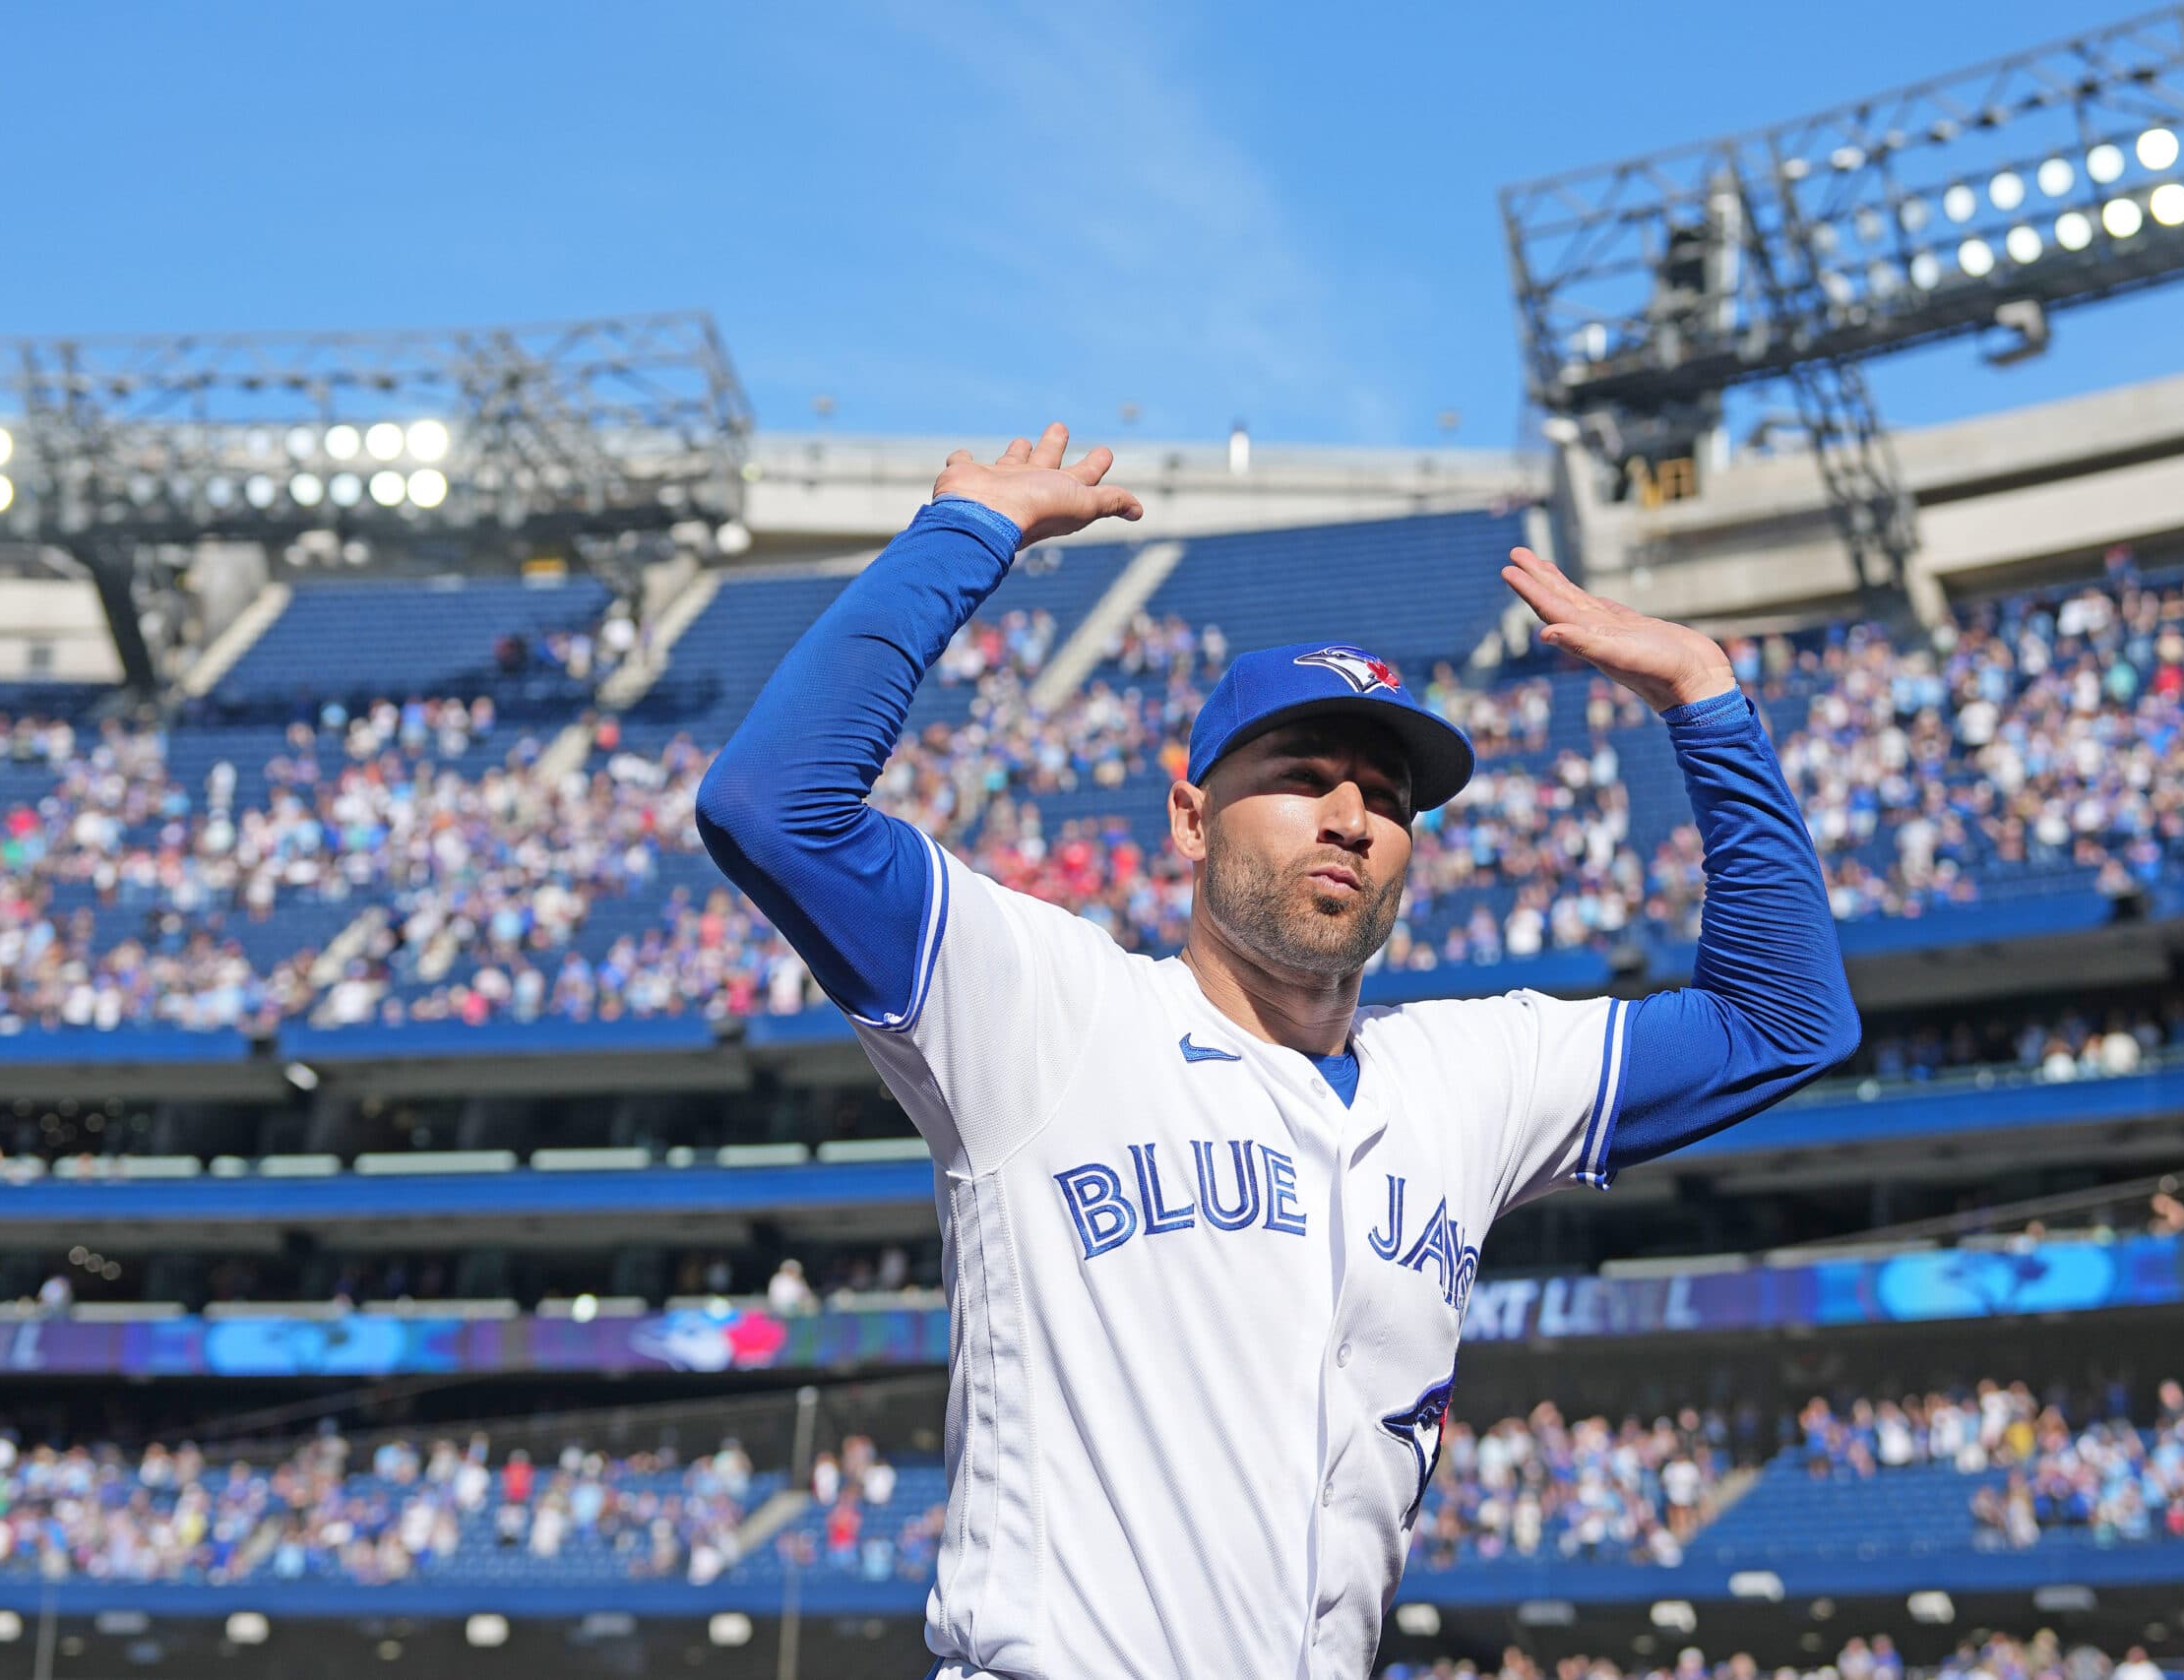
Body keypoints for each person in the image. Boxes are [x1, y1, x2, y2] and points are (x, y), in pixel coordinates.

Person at [695, 426, 1858, 1680]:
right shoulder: (1051, 1012)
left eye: (1391, 798)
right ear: (1190, 817)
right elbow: (773, 807)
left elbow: (1782, 1018)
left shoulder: (1470, 1077)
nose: (1354, 819)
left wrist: (1706, 702)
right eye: (1303, 775)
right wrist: (965, 531)